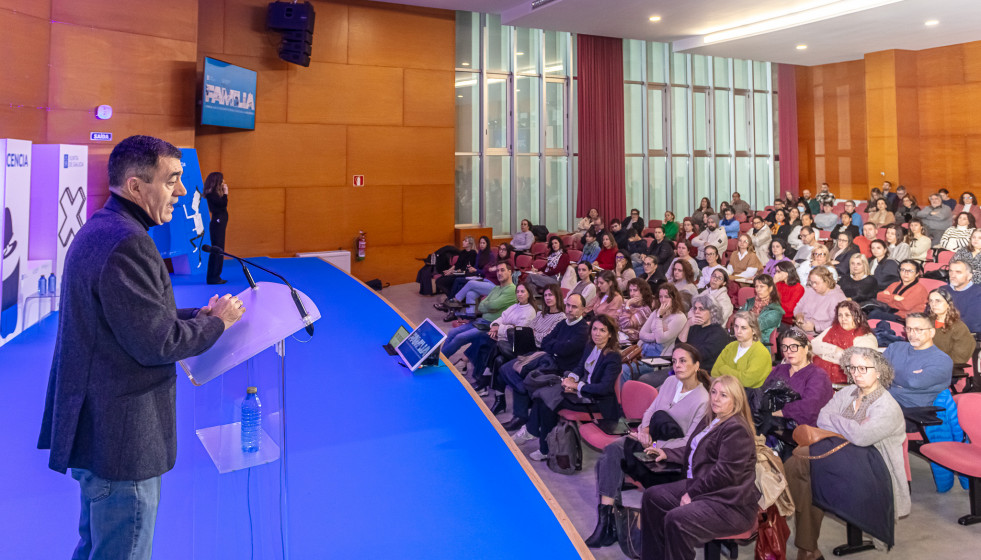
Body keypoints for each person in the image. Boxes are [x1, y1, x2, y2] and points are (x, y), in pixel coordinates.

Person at [38, 135, 245, 560]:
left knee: (97, 546)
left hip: (101, 431)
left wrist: (199, 315)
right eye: (172, 180)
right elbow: (158, 342)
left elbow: (133, 316)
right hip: (122, 441)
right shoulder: (127, 242)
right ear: (135, 187)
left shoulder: (104, 228)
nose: (184, 192)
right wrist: (216, 324)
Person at [784, 347, 909, 560]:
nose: (857, 373)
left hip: (875, 469)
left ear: (879, 371)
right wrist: (851, 425)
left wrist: (840, 423)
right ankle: (807, 549)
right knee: (801, 469)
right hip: (842, 456)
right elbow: (823, 418)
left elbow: (861, 437)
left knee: (802, 466)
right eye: (853, 368)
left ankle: (799, 534)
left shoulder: (887, 407)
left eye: (864, 368)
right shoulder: (847, 392)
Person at [586, 344, 711, 549]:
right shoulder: (670, 382)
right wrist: (644, 430)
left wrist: (655, 444)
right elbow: (651, 410)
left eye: (683, 361)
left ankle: (618, 526)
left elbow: (690, 440)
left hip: (669, 453)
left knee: (619, 458)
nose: (677, 366)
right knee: (611, 452)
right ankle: (606, 523)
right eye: (674, 361)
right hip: (648, 440)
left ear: (696, 366)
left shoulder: (703, 399)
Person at [640, 375, 760, 560]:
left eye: (724, 395)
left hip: (729, 503)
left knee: (677, 520)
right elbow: (697, 451)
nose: (715, 398)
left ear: (736, 401)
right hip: (706, 489)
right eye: (713, 392)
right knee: (652, 497)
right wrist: (668, 453)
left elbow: (724, 474)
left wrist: (692, 493)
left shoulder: (737, 429)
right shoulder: (712, 418)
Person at [525, 315, 623, 461]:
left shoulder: (613, 357)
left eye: (602, 330)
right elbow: (579, 367)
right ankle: (537, 438)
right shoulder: (591, 346)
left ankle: (541, 445)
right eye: (594, 329)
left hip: (597, 401)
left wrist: (578, 386)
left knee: (547, 402)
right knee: (542, 397)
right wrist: (572, 378)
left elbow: (604, 388)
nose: (597, 333)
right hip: (583, 392)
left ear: (610, 334)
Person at [502, 294, 591, 432]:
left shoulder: (583, 329)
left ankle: (520, 416)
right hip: (548, 359)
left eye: (574, 307)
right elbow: (545, 342)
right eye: (568, 305)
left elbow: (565, 350)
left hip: (561, 369)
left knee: (527, 376)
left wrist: (555, 345)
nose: (569, 309)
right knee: (506, 368)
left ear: (583, 309)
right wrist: (556, 345)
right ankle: (525, 393)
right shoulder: (563, 323)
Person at [463, 281, 538, 391]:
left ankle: (476, 374)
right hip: (502, 335)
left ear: (529, 294)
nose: (519, 294)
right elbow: (502, 318)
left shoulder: (530, 311)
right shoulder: (515, 306)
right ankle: (480, 378)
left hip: (513, 343)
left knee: (484, 340)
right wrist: (496, 325)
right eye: (517, 292)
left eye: (523, 292)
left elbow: (517, 331)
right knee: (481, 339)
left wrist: (500, 330)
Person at [442, 262, 517, 359]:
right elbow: (481, 306)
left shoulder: (512, 290)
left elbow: (493, 305)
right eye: (497, 270)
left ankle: (439, 361)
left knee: (459, 337)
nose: (499, 273)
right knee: (452, 333)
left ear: (510, 272)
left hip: (490, 326)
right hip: (481, 321)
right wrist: (489, 306)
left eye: (502, 270)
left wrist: (489, 305)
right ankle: (441, 360)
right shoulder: (496, 288)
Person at [763, 327, 834, 427]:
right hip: (773, 424)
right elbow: (764, 393)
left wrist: (775, 413)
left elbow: (809, 407)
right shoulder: (780, 369)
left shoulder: (818, 375)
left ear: (806, 349)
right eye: (785, 347)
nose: (789, 351)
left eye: (794, 347)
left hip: (801, 430)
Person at [626, 284, 690, 388]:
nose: (663, 300)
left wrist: (660, 318)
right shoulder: (655, 312)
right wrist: (655, 335)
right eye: (660, 297)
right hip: (643, 353)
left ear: (674, 298)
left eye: (666, 296)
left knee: (625, 370)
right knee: (620, 367)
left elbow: (660, 340)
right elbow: (642, 334)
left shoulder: (679, 317)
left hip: (659, 358)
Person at [884, 312, 953, 409]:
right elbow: (877, 372)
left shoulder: (942, 360)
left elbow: (913, 382)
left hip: (914, 411)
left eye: (918, 330)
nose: (912, 334)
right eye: (909, 329)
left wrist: (890, 375)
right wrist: (904, 377)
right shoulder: (895, 347)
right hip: (884, 402)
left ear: (932, 332)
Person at [811, 300, 878, 384]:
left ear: (857, 317)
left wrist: (822, 354)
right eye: (840, 315)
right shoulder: (832, 329)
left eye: (847, 315)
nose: (843, 319)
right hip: (817, 375)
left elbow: (853, 362)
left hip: (846, 382)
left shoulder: (866, 337)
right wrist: (834, 349)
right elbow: (813, 345)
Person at [712, 311, 771, 388]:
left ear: (754, 330)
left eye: (744, 328)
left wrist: (724, 369)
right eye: (736, 326)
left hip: (750, 396)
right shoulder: (730, 347)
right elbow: (714, 372)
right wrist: (738, 375)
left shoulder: (761, 352)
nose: (738, 331)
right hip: (726, 392)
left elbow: (746, 381)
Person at [680, 295, 733, 373]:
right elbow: (678, 346)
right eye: (695, 308)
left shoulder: (718, 334)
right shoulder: (694, 327)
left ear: (712, 312)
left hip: (702, 375)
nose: (696, 312)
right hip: (684, 368)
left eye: (701, 309)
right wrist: (687, 324)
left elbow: (698, 355)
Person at [870, 259, 927, 323]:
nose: (906, 273)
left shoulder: (919, 289)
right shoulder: (895, 284)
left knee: (874, 314)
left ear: (917, 274)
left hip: (906, 318)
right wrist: (894, 297)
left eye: (910, 271)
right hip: (891, 313)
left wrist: (888, 297)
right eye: (903, 270)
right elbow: (879, 296)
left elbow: (905, 306)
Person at [927, 288, 974, 366]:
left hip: (947, 369)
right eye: (931, 301)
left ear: (949, 304)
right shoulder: (926, 322)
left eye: (938, 301)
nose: (933, 304)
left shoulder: (959, 327)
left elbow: (959, 358)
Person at [794, 267, 847, 335]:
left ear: (827, 281)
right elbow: (799, 306)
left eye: (816, 283)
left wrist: (815, 327)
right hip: (801, 329)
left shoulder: (836, 297)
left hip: (820, 334)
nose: (813, 285)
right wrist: (799, 315)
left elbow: (838, 322)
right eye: (811, 282)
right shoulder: (810, 290)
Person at [740, 274, 784, 347]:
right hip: (743, 338)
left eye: (762, 286)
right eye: (756, 286)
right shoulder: (750, 302)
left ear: (770, 289)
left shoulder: (775, 309)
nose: (758, 289)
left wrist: (742, 322)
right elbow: (738, 316)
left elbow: (757, 326)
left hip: (760, 344)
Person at [203, 171, 229, 284]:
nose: (224, 182)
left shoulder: (214, 194)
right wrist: (226, 193)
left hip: (220, 224)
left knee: (219, 250)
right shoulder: (211, 194)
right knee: (217, 250)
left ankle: (215, 276)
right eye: (222, 180)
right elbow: (222, 204)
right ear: (217, 182)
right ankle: (213, 277)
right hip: (217, 224)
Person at [945, 258, 981, 333]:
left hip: (965, 336)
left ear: (969, 276)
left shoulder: (978, 293)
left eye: (958, 272)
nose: (953, 275)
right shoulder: (943, 290)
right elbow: (929, 315)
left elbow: (971, 324)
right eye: (951, 271)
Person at [617, 278, 654, 345]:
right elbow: (616, 320)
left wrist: (627, 306)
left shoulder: (645, 310)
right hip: (619, 337)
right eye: (630, 290)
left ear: (643, 292)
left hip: (631, 343)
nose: (632, 294)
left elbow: (625, 325)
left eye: (635, 290)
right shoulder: (628, 304)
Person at [773, 260, 805, 325]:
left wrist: (773, 305)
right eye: (776, 272)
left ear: (787, 273)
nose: (776, 274)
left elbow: (789, 309)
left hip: (786, 320)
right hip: (774, 315)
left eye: (778, 272)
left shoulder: (798, 288)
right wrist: (773, 285)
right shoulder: (778, 284)